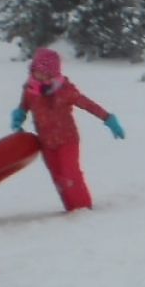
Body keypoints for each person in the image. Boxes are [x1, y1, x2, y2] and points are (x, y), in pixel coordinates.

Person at [11, 47, 124, 212]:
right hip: (46, 143)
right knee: (58, 178)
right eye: (35, 71)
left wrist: (108, 118)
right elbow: (23, 107)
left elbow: (88, 104)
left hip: (67, 140)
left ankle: (84, 208)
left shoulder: (65, 90)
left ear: (52, 73)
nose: (37, 75)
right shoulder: (30, 91)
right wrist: (18, 117)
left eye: (42, 72)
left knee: (70, 174)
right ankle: (71, 210)